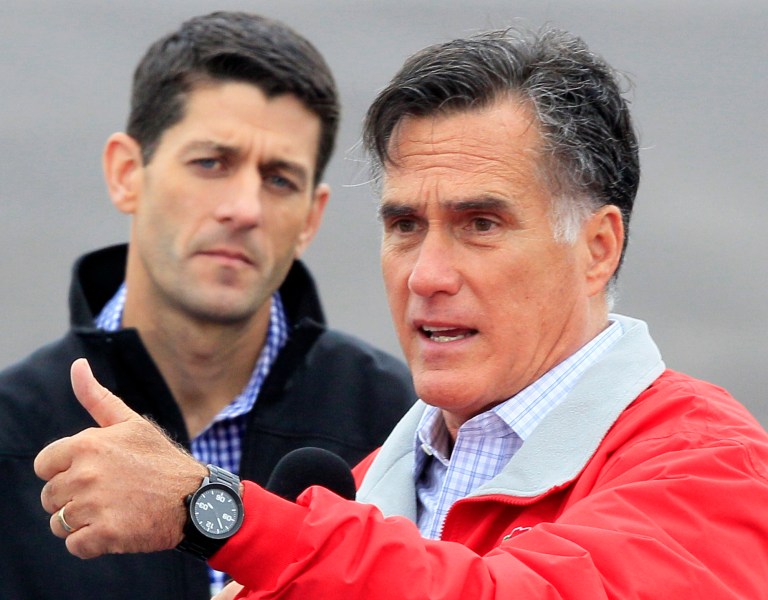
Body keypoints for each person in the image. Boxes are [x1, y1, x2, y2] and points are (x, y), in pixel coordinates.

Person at [34, 26, 768, 599]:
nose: (427, 274)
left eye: (481, 224)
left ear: (598, 248)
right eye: (405, 226)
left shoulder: (712, 466)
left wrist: (215, 512)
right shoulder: (357, 491)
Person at [0, 11, 415, 600]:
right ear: (126, 174)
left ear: (310, 217)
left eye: (279, 179)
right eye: (211, 163)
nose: (244, 208)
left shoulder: (402, 428)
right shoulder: (11, 431)